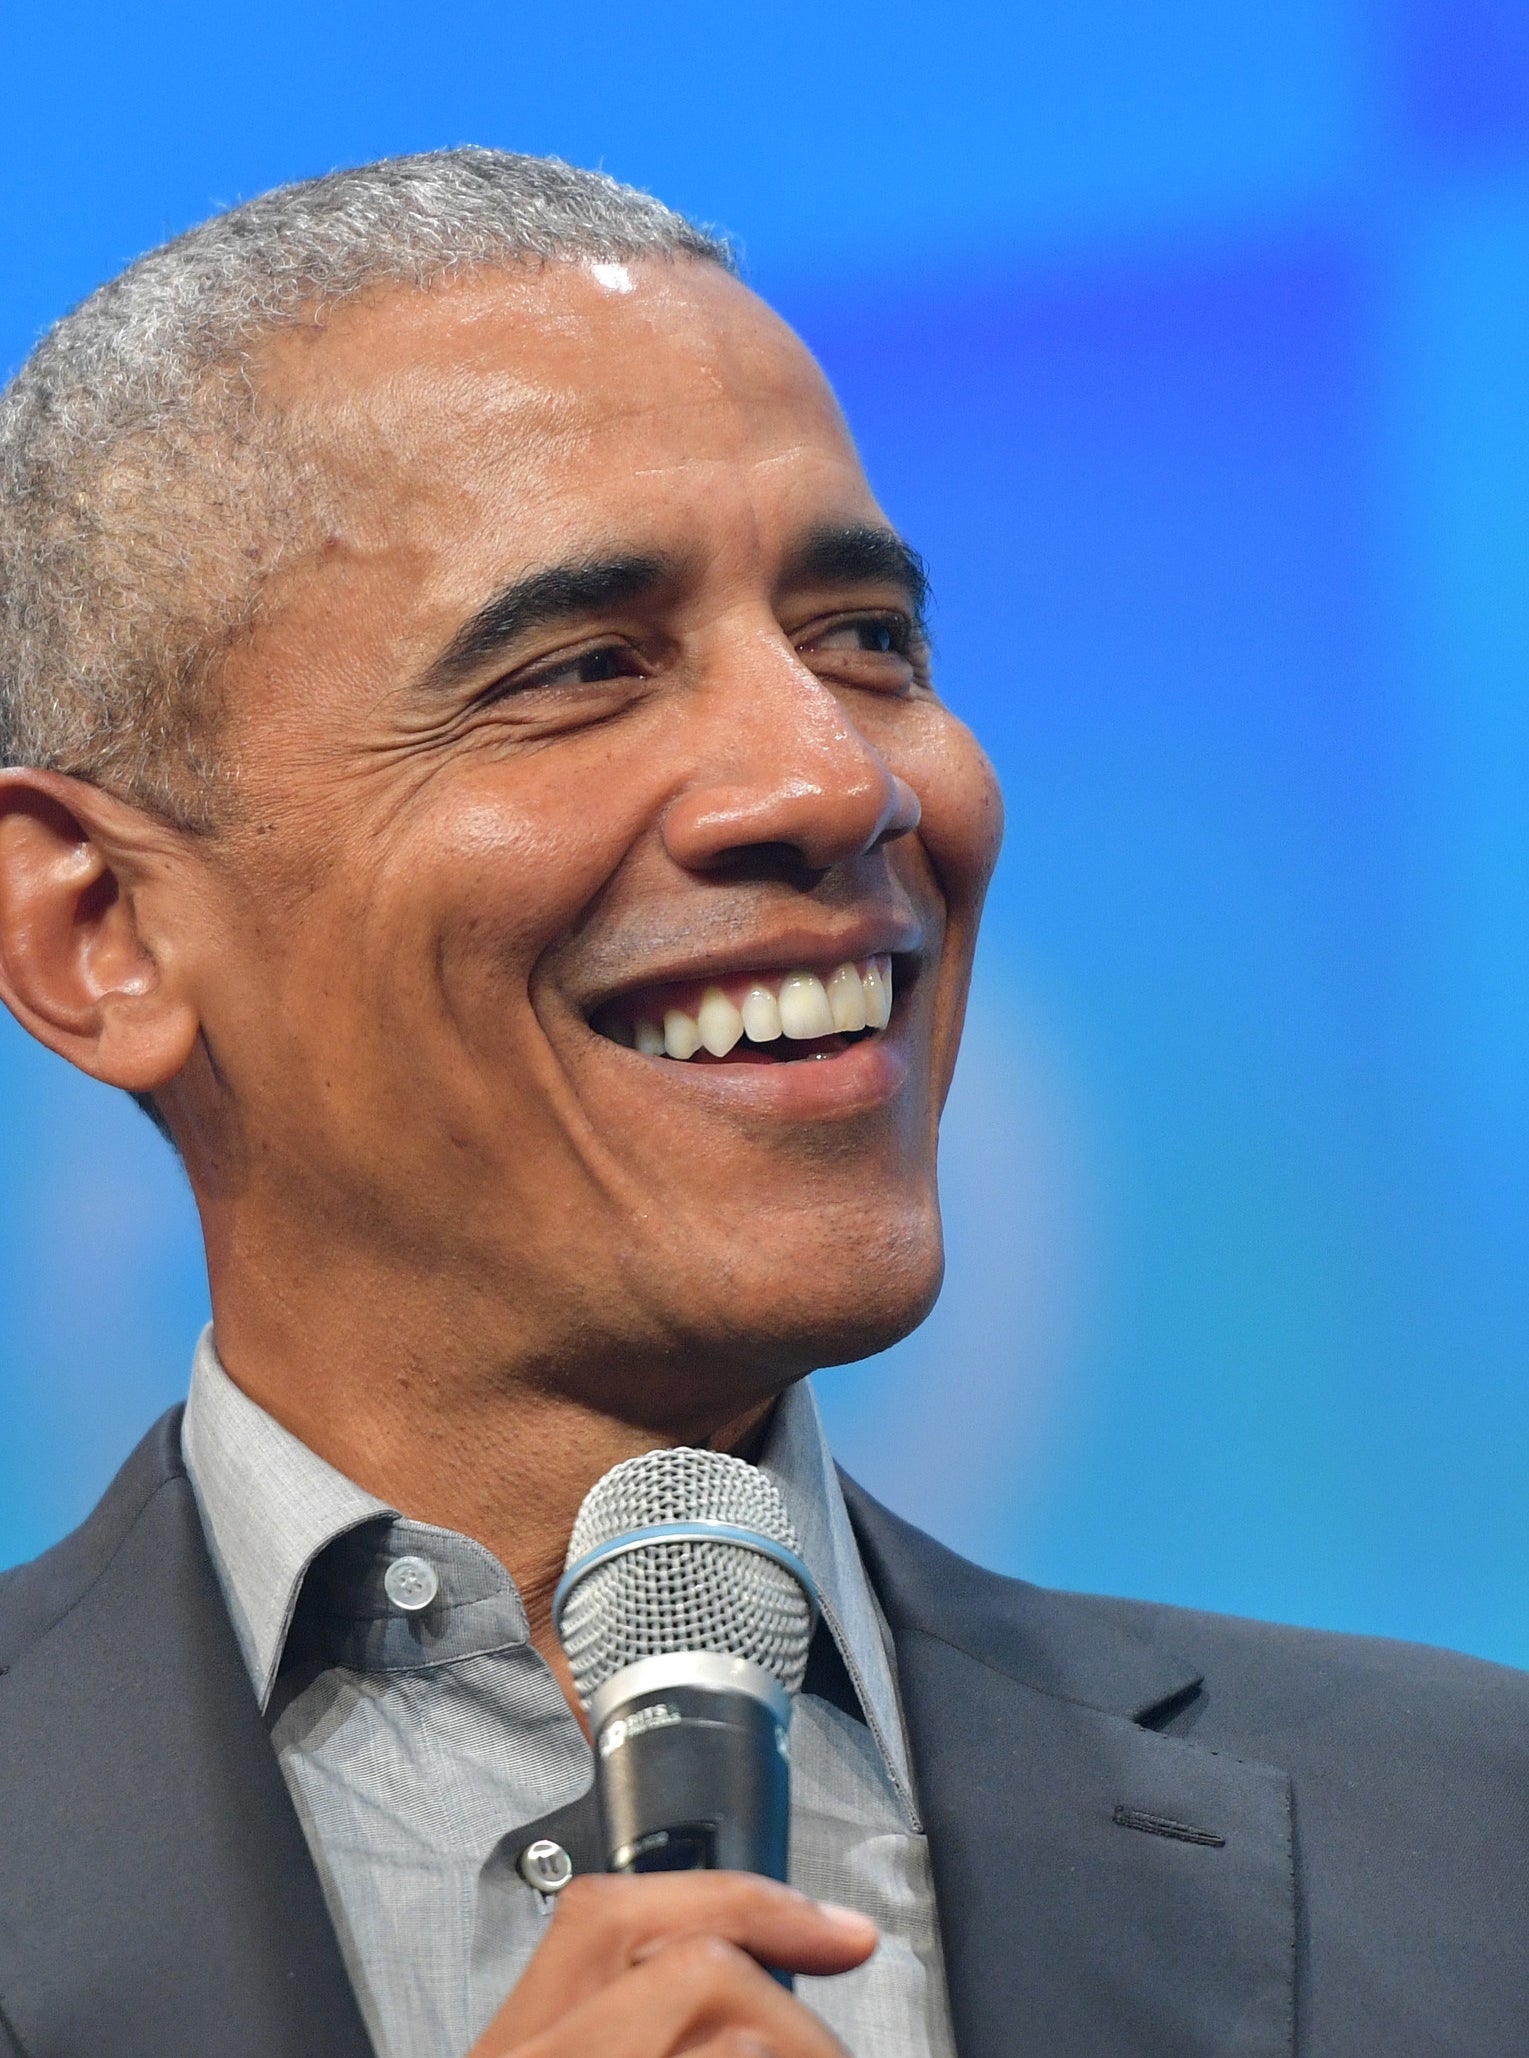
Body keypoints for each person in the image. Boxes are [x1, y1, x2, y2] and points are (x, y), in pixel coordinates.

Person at [0, 148, 1522, 2058]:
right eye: (580, 669)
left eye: (866, 640)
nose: (830, 779)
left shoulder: (1473, 1853)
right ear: (101, 929)